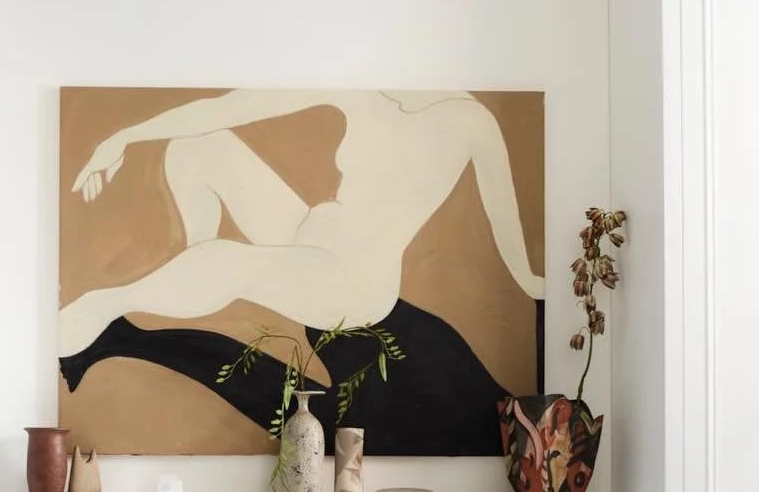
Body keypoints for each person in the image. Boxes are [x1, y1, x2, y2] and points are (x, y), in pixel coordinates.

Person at [61, 88, 543, 356]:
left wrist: (530, 281)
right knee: (199, 144)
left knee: (226, 262)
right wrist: (125, 137)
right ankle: (193, 273)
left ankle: (106, 305)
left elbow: (503, 211)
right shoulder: (364, 91)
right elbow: (228, 107)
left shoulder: (471, 121)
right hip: (306, 235)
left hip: (353, 284)